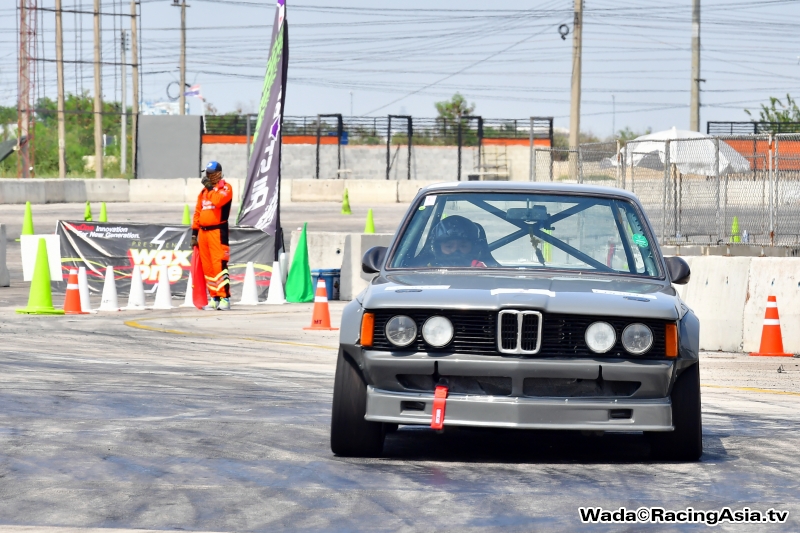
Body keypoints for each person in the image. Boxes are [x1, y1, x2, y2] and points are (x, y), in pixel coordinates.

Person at [192, 161, 233, 310]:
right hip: (203, 233)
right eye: (206, 173)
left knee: (219, 264)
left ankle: (224, 298)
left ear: (217, 174)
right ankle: (214, 297)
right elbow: (197, 212)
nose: (207, 176)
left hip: (217, 231)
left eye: (210, 173)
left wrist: (210, 187)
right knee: (207, 267)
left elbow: (218, 201)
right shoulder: (202, 193)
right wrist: (194, 234)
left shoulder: (226, 188)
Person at [415, 215, 494, 267]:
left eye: (463, 246)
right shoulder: (425, 272)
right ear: (438, 248)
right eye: (449, 246)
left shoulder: (482, 270)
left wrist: (485, 274)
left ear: (473, 248)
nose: (455, 251)